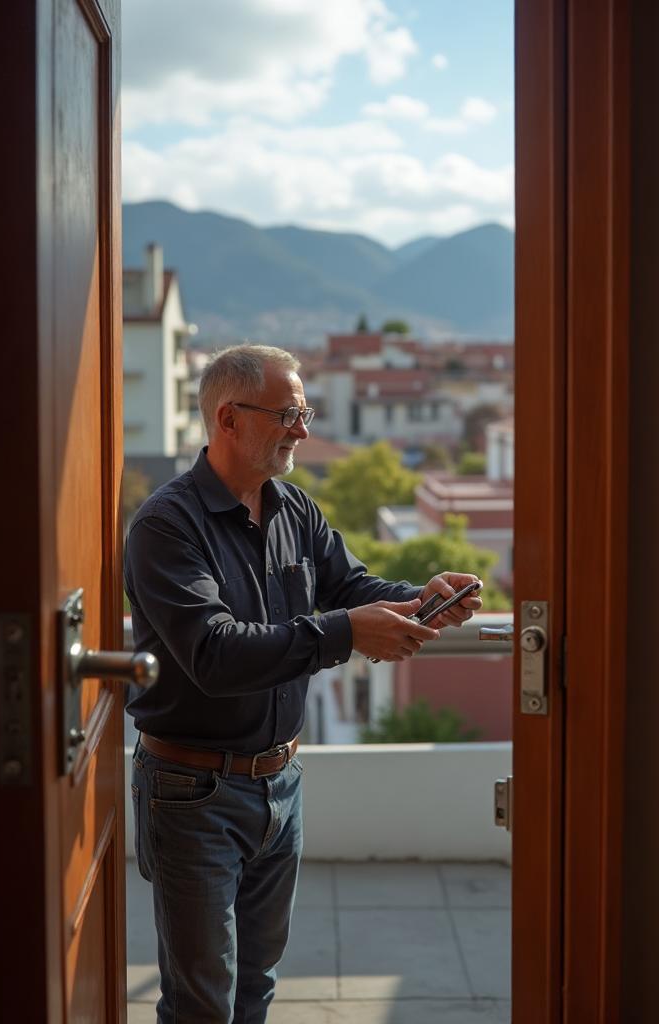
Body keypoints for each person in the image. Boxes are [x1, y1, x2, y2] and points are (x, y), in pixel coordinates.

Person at [125, 344, 483, 1024]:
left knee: (256, 985)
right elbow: (214, 653)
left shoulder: (292, 507)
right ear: (228, 419)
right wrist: (347, 632)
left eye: (304, 412)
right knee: (202, 1002)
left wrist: (421, 596)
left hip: (281, 787)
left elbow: (353, 587)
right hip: (193, 793)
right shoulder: (166, 526)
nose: (303, 430)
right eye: (288, 414)